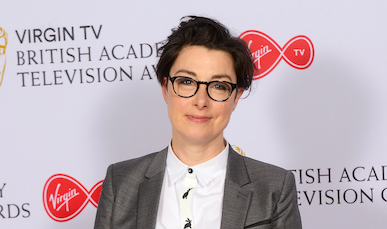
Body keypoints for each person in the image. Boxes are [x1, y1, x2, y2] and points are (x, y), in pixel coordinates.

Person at [94, 16, 302, 229]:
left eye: (218, 86)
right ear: (165, 88)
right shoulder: (120, 183)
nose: (201, 101)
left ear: (235, 97)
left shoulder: (273, 188)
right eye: (186, 82)